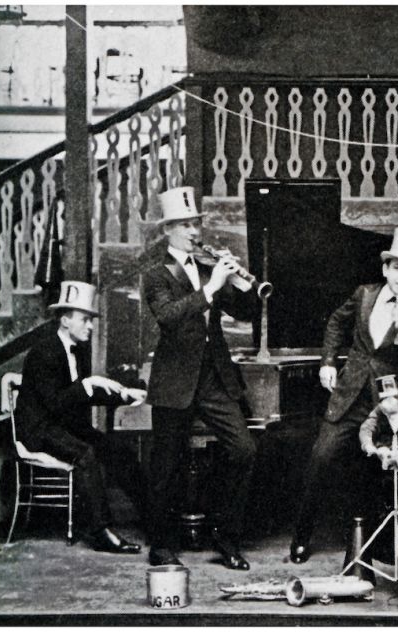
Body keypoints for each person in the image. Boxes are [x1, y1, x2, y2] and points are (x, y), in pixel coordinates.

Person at [289, 227, 398, 564]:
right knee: (321, 459)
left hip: (386, 406)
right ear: (386, 268)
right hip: (348, 397)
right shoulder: (364, 295)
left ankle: (372, 546)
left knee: (378, 476)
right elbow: (335, 324)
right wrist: (327, 361)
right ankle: (301, 535)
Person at [142, 186, 258, 570]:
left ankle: (225, 537)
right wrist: (211, 288)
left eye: (196, 225)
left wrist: (242, 282)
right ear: (169, 230)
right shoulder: (155, 274)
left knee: (243, 450)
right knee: (166, 467)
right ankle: (161, 545)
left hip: (213, 378)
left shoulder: (209, 268)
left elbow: (245, 313)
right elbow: (169, 316)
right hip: (174, 380)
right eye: (186, 225)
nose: (195, 232)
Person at [14, 280, 147, 554]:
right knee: (86, 454)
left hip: (62, 425)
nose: (90, 326)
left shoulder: (76, 349)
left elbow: (85, 394)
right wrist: (87, 384)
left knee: (116, 449)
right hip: (39, 430)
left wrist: (123, 395)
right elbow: (54, 404)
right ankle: (100, 531)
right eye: (85, 320)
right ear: (65, 320)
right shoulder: (44, 352)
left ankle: (151, 515)